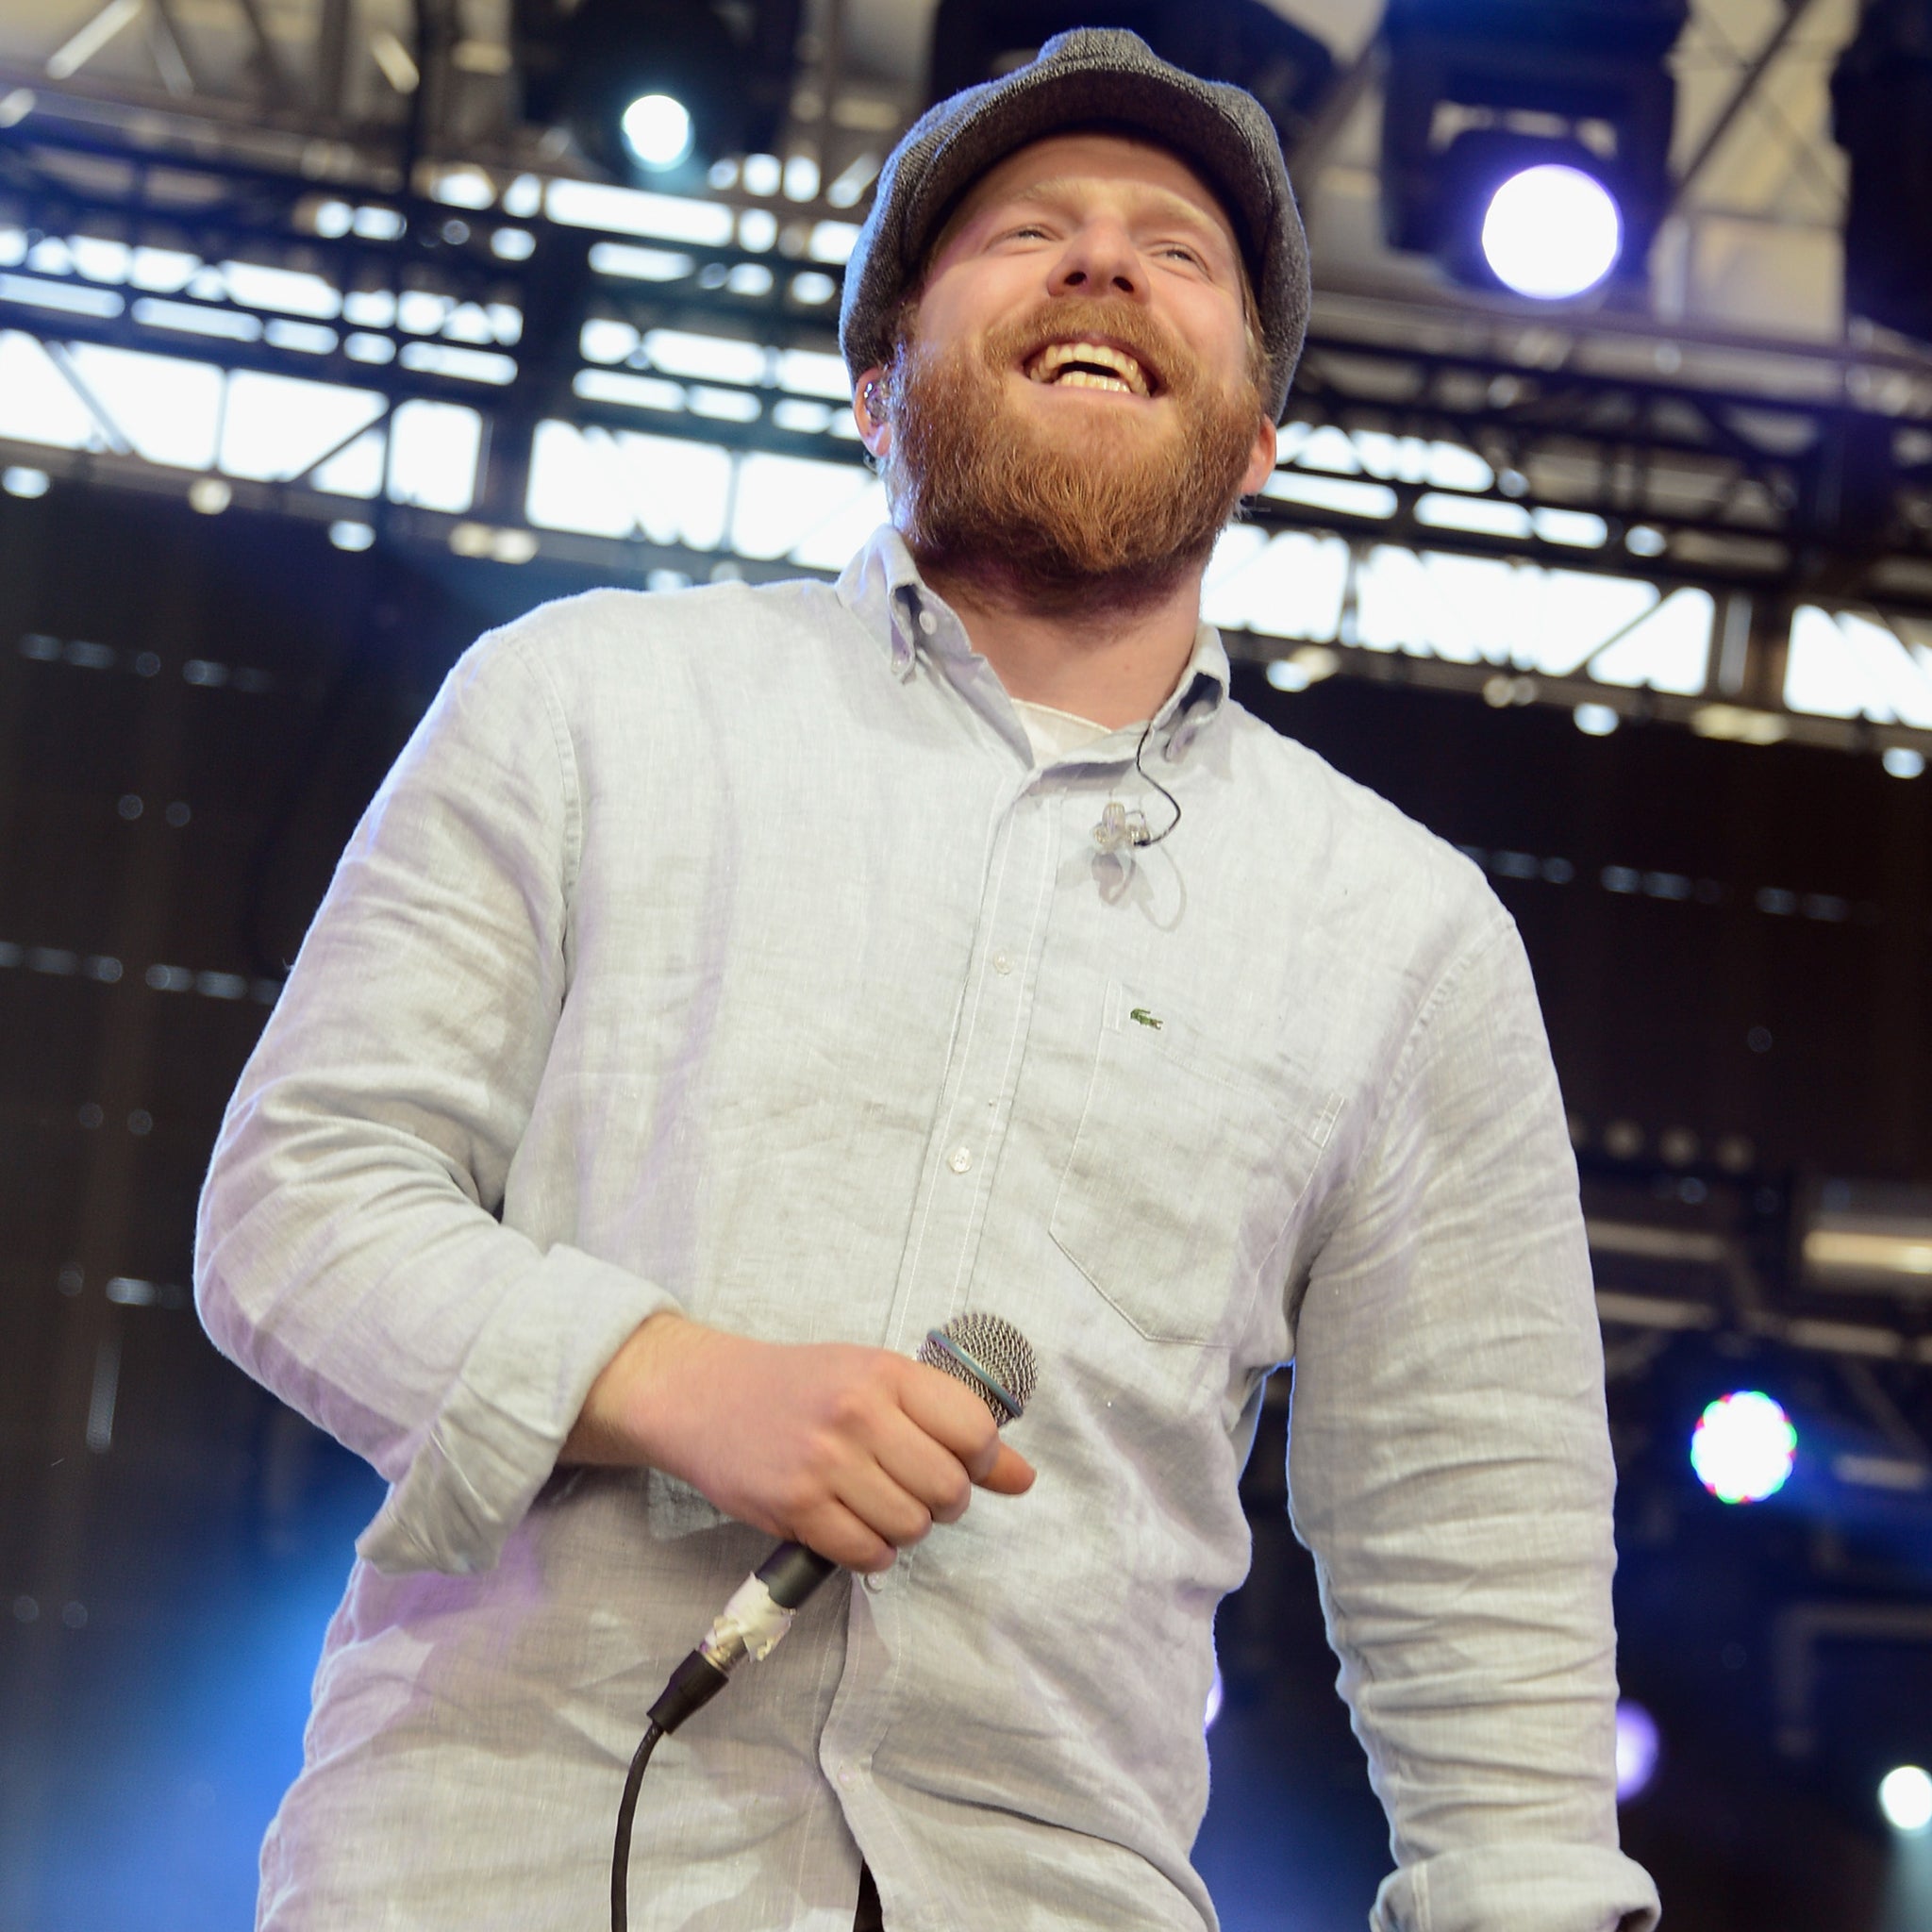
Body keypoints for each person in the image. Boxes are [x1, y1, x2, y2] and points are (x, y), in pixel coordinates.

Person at [196, 27, 1661, 1932]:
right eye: (1026, 231)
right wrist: (661, 1378)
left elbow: (1482, 1527)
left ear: (1253, 438)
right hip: (504, 1852)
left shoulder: (1405, 929)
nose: (1105, 262)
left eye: (1177, 254)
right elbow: (293, 1207)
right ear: (877, 383)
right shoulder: (587, 703)